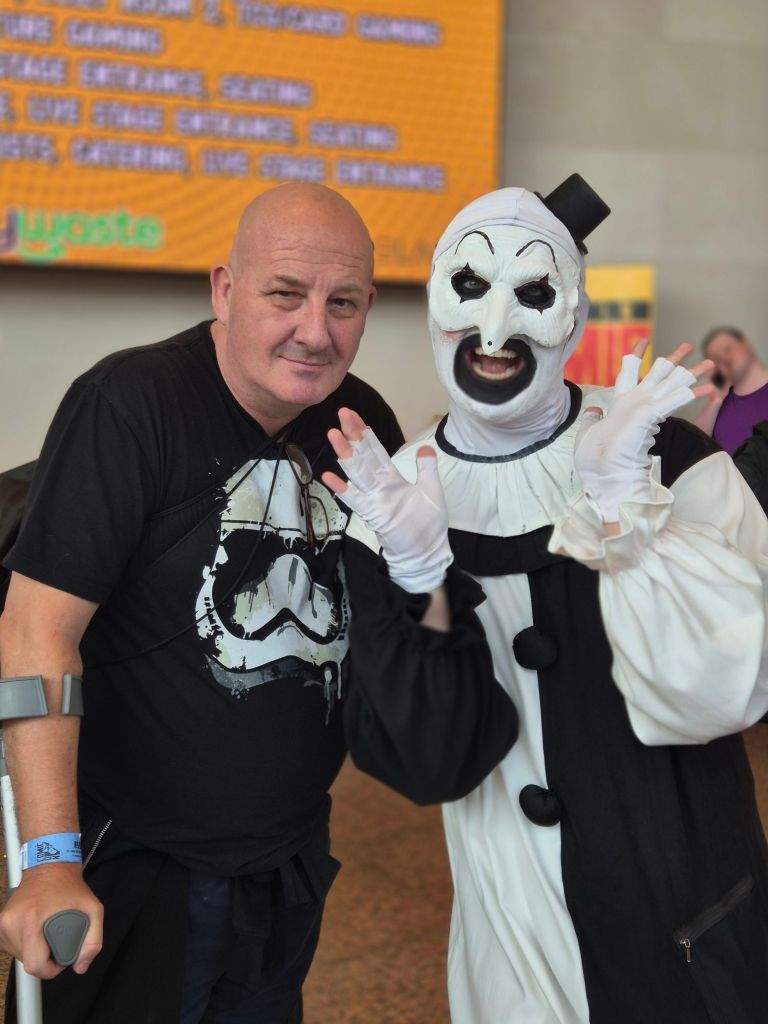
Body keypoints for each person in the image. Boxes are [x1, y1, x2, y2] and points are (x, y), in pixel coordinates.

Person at [0, 182, 516, 1024]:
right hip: (132, 867)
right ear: (225, 289)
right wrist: (49, 861)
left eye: (342, 303)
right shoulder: (132, 404)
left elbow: (397, 654)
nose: (316, 331)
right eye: (286, 294)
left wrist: (426, 574)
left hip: (287, 865)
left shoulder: (358, 424)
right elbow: (34, 633)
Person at [325, 176, 768, 1023]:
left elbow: (724, 691)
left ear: (573, 315)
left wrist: (626, 506)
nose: (495, 330)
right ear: (434, 305)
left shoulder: (663, 452)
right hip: (514, 921)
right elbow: (431, 760)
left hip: (685, 907)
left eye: (533, 293)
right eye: (469, 285)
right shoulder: (390, 496)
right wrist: (423, 578)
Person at [693, 326, 768, 454]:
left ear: (746, 344)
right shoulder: (717, 408)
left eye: (727, 349)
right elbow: (692, 448)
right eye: (717, 359)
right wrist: (715, 400)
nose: (724, 358)